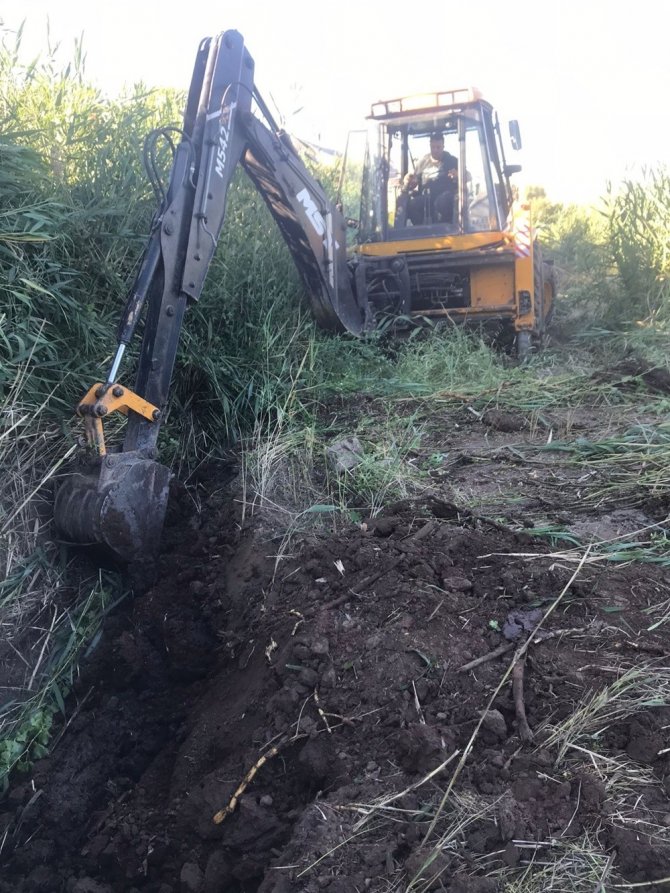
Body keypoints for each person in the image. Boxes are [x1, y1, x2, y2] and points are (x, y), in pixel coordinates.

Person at [397, 133, 458, 225]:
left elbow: (468, 177)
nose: (435, 150)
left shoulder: (452, 161)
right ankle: (420, 230)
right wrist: (411, 182)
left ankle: (444, 229)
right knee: (412, 205)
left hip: (445, 200)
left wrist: (457, 176)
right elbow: (415, 182)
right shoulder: (422, 163)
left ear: (443, 146)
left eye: (438, 147)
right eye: (433, 147)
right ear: (430, 146)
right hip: (426, 199)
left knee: (443, 201)